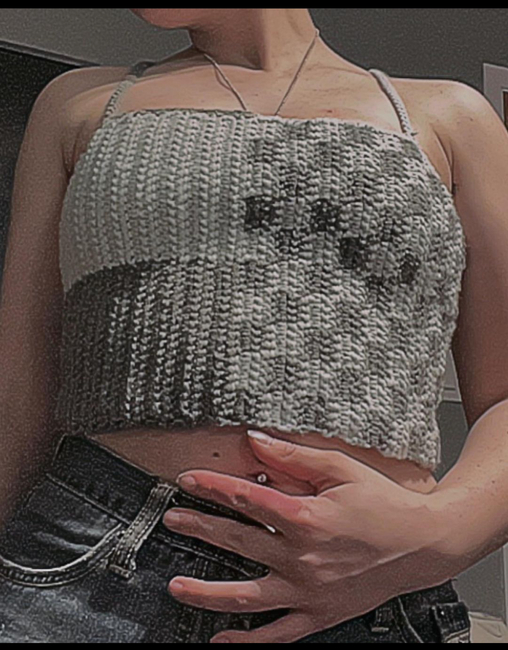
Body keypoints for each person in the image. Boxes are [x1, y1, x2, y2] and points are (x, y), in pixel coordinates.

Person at [2, 7, 508, 644]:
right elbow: (20, 398)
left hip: (372, 602)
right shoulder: (80, 105)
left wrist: (437, 538)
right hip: (85, 569)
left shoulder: (449, 118)